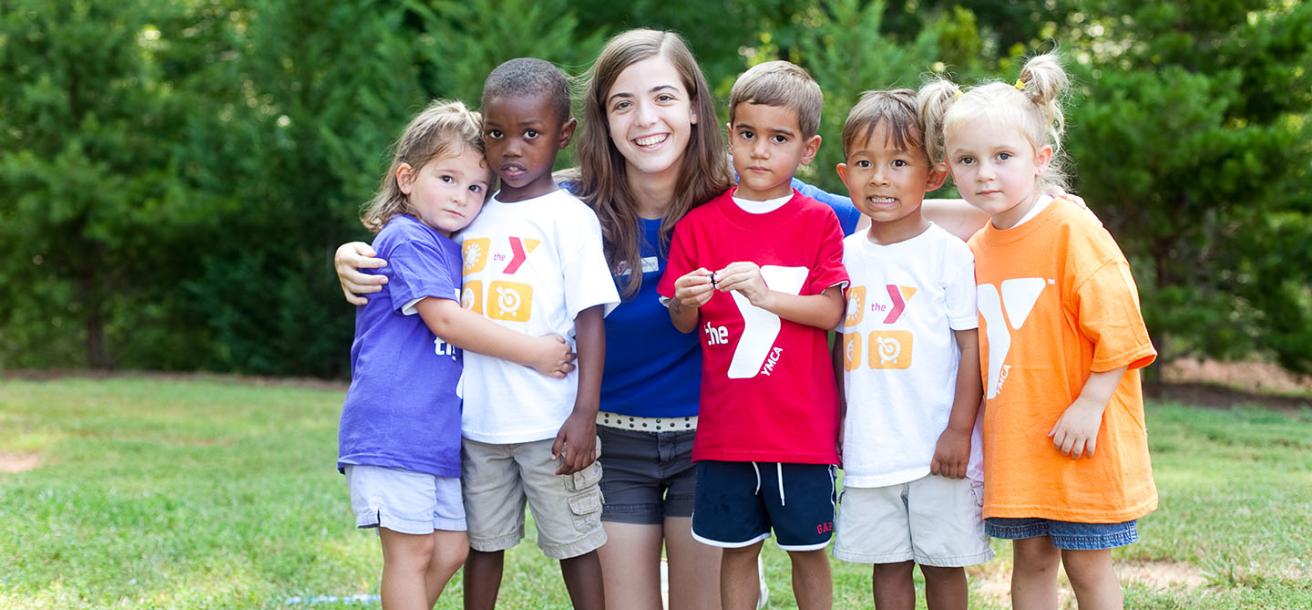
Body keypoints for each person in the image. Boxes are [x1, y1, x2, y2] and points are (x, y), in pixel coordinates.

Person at [920, 53, 1158, 610]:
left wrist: (1090, 405)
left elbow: (1122, 327)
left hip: (1082, 434)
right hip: (1020, 441)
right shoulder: (977, 247)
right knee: (1030, 559)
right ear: (949, 167)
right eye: (968, 160)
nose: (985, 173)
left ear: (1040, 158)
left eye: (1003, 156)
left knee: (1086, 562)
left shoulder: (1072, 228)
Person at [337, 100, 576, 610]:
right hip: (393, 427)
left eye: (475, 188)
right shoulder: (408, 237)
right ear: (406, 178)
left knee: (451, 547)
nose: (461, 197)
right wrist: (533, 353)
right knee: (412, 553)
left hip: (436, 433)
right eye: (447, 179)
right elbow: (445, 320)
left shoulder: (457, 244)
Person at [659, 61, 846, 610]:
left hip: (801, 431)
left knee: (808, 552)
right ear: (729, 136)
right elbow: (682, 321)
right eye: (747, 134)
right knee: (737, 551)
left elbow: (832, 311)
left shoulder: (818, 221)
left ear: (808, 149)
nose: (760, 151)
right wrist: (686, 301)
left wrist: (767, 297)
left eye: (779, 138)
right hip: (728, 430)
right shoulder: (699, 225)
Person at [455, 58, 619, 610]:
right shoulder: (471, 215)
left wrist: (584, 415)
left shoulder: (569, 218)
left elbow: (590, 320)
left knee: (576, 544)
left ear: (563, 135)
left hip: (551, 425)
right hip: (480, 423)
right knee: (483, 544)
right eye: (496, 134)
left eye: (531, 134)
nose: (511, 150)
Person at [829, 90, 992, 610]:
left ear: (933, 176)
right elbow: (841, 342)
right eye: (865, 164)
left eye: (899, 163)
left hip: (936, 448)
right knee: (889, 564)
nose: (880, 178)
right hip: (871, 446)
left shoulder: (948, 255)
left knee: (943, 565)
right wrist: (840, 417)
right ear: (845, 174)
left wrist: (959, 431)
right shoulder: (843, 256)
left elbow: (971, 348)